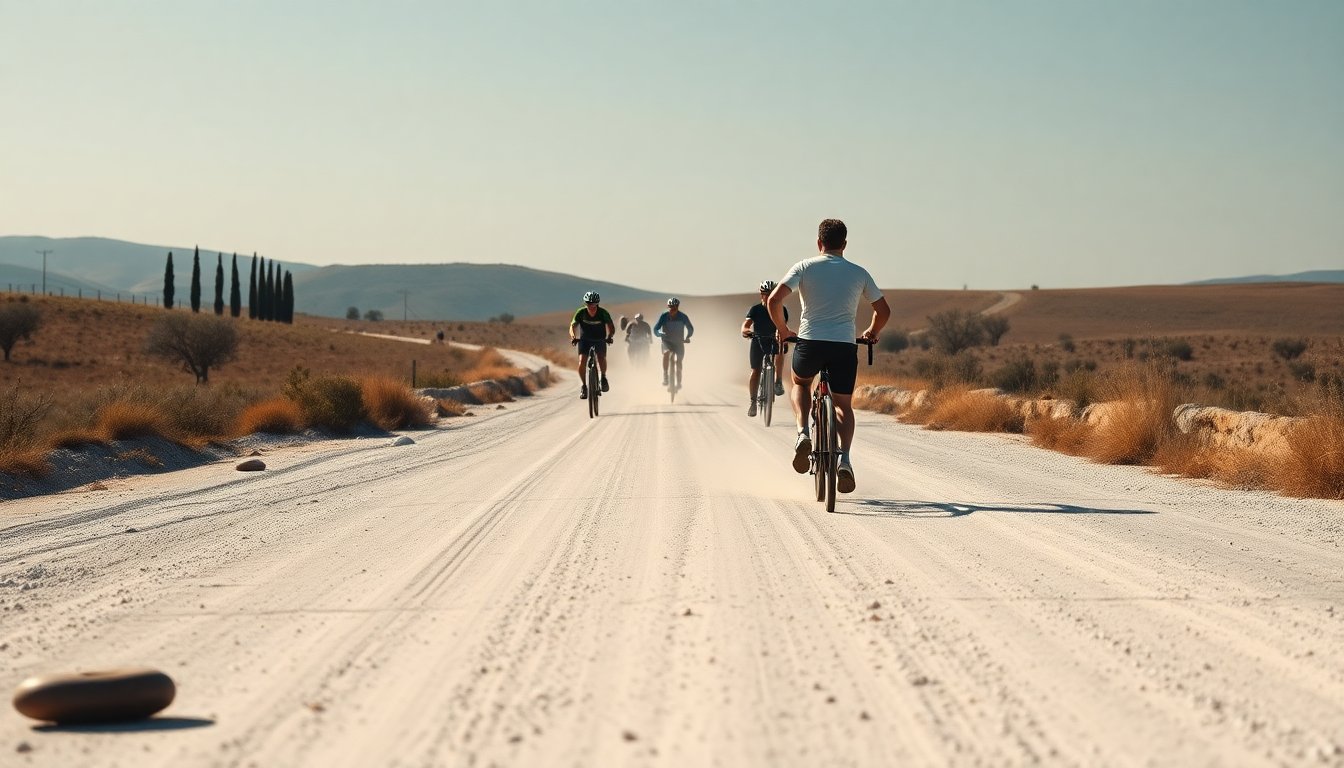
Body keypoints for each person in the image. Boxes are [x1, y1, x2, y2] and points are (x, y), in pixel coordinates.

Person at [767, 219, 890, 493]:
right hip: (843, 347)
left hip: (810, 343)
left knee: (799, 383)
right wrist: (871, 331)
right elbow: (883, 311)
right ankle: (844, 460)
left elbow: (774, 300)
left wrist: (784, 330)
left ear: (819, 242)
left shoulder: (804, 267)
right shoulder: (859, 273)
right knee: (843, 406)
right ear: (844, 244)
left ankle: (802, 433)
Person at [741, 279, 789, 417]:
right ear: (761, 294)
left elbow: (783, 326)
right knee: (755, 371)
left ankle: (778, 381)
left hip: (774, 339)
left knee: (781, 348)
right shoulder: (755, 309)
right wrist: (745, 330)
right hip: (758, 340)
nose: (767, 296)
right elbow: (746, 324)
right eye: (764, 294)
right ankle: (753, 402)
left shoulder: (781, 309)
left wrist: (784, 337)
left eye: (770, 293)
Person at [569, 291, 615, 399]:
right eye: (589, 304)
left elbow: (611, 327)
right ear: (585, 304)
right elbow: (573, 326)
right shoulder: (581, 312)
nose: (591, 306)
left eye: (593, 304)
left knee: (601, 358)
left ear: (597, 304)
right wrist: (573, 337)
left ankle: (603, 377)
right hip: (585, 340)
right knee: (582, 362)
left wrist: (609, 336)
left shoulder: (603, 313)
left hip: (600, 340)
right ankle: (584, 386)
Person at [654, 298, 693, 387]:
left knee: (679, 361)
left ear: (677, 307)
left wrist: (688, 337)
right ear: (668, 307)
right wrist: (659, 333)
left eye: (674, 307)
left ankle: (679, 381)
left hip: (679, 342)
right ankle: (665, 376)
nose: (672, 309)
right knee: (666, 353)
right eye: (670, 307)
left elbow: (690, 328)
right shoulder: (664, 316)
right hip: (666, 341)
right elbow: (656, 328)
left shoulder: (683, 317)